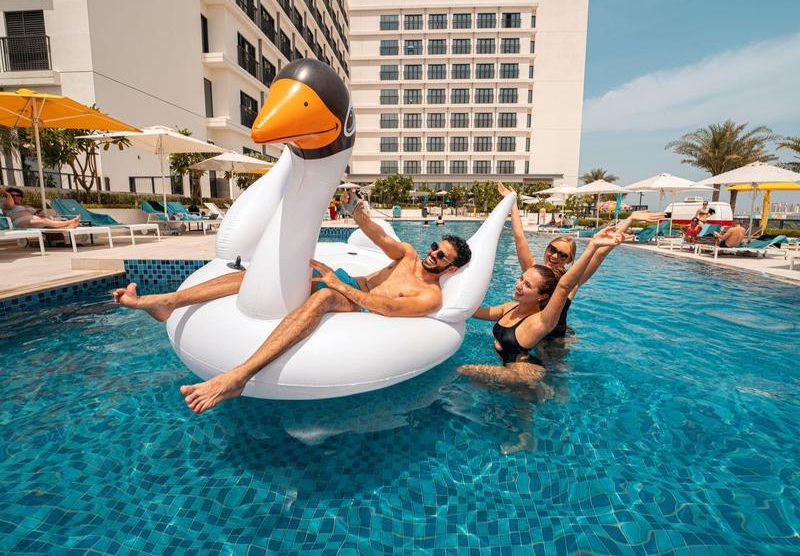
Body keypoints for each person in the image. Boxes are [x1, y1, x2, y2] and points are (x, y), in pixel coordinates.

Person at [113, 191, 473, 414]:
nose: (432, 256)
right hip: (351, 281)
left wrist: (336, 285)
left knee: (324, 297)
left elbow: (387, 309)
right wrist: (358, 212)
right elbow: (380, 237)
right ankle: (165, 301)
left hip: (361, 303)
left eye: (441, 258)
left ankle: (240, 375)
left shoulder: (430, 296)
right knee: (269, 275)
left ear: (451, 268)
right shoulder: (408, 255)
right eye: (434, 249)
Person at [457, 227, 628, 389]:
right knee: (521, 415)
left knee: (463, 370)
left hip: (523, 374)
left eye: (527, 285)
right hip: (514, 366)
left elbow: (564, 287)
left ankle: (555, 388)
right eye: (521, 279)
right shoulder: (509, 308)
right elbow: (472, 311)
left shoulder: (540, 321)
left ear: (542, 296)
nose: (518, 285)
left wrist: (592, 245)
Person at [497, 183, 661, 337]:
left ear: (569, 260)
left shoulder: (571, 281)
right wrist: (512, 201)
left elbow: (600, 253)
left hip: (555, 340)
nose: (554, 256)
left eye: (562, 255)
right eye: (552, 249)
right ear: (547, 248)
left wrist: (630, 220)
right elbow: (519, 238)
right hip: (528, 334)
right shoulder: (531, 272)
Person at [1, 186, 80, 229]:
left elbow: (36, 212)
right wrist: (7, 194)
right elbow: (10, 203)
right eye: (12, 195)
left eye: (17, 195)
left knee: (47, 221)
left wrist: (39, 214)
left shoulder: (25, 206)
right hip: (19, 222)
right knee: (45, 221)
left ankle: (68, 227)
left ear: (21, 198)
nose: (14, 197)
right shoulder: (6, 204)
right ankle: (69, 222)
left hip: (32, 219)